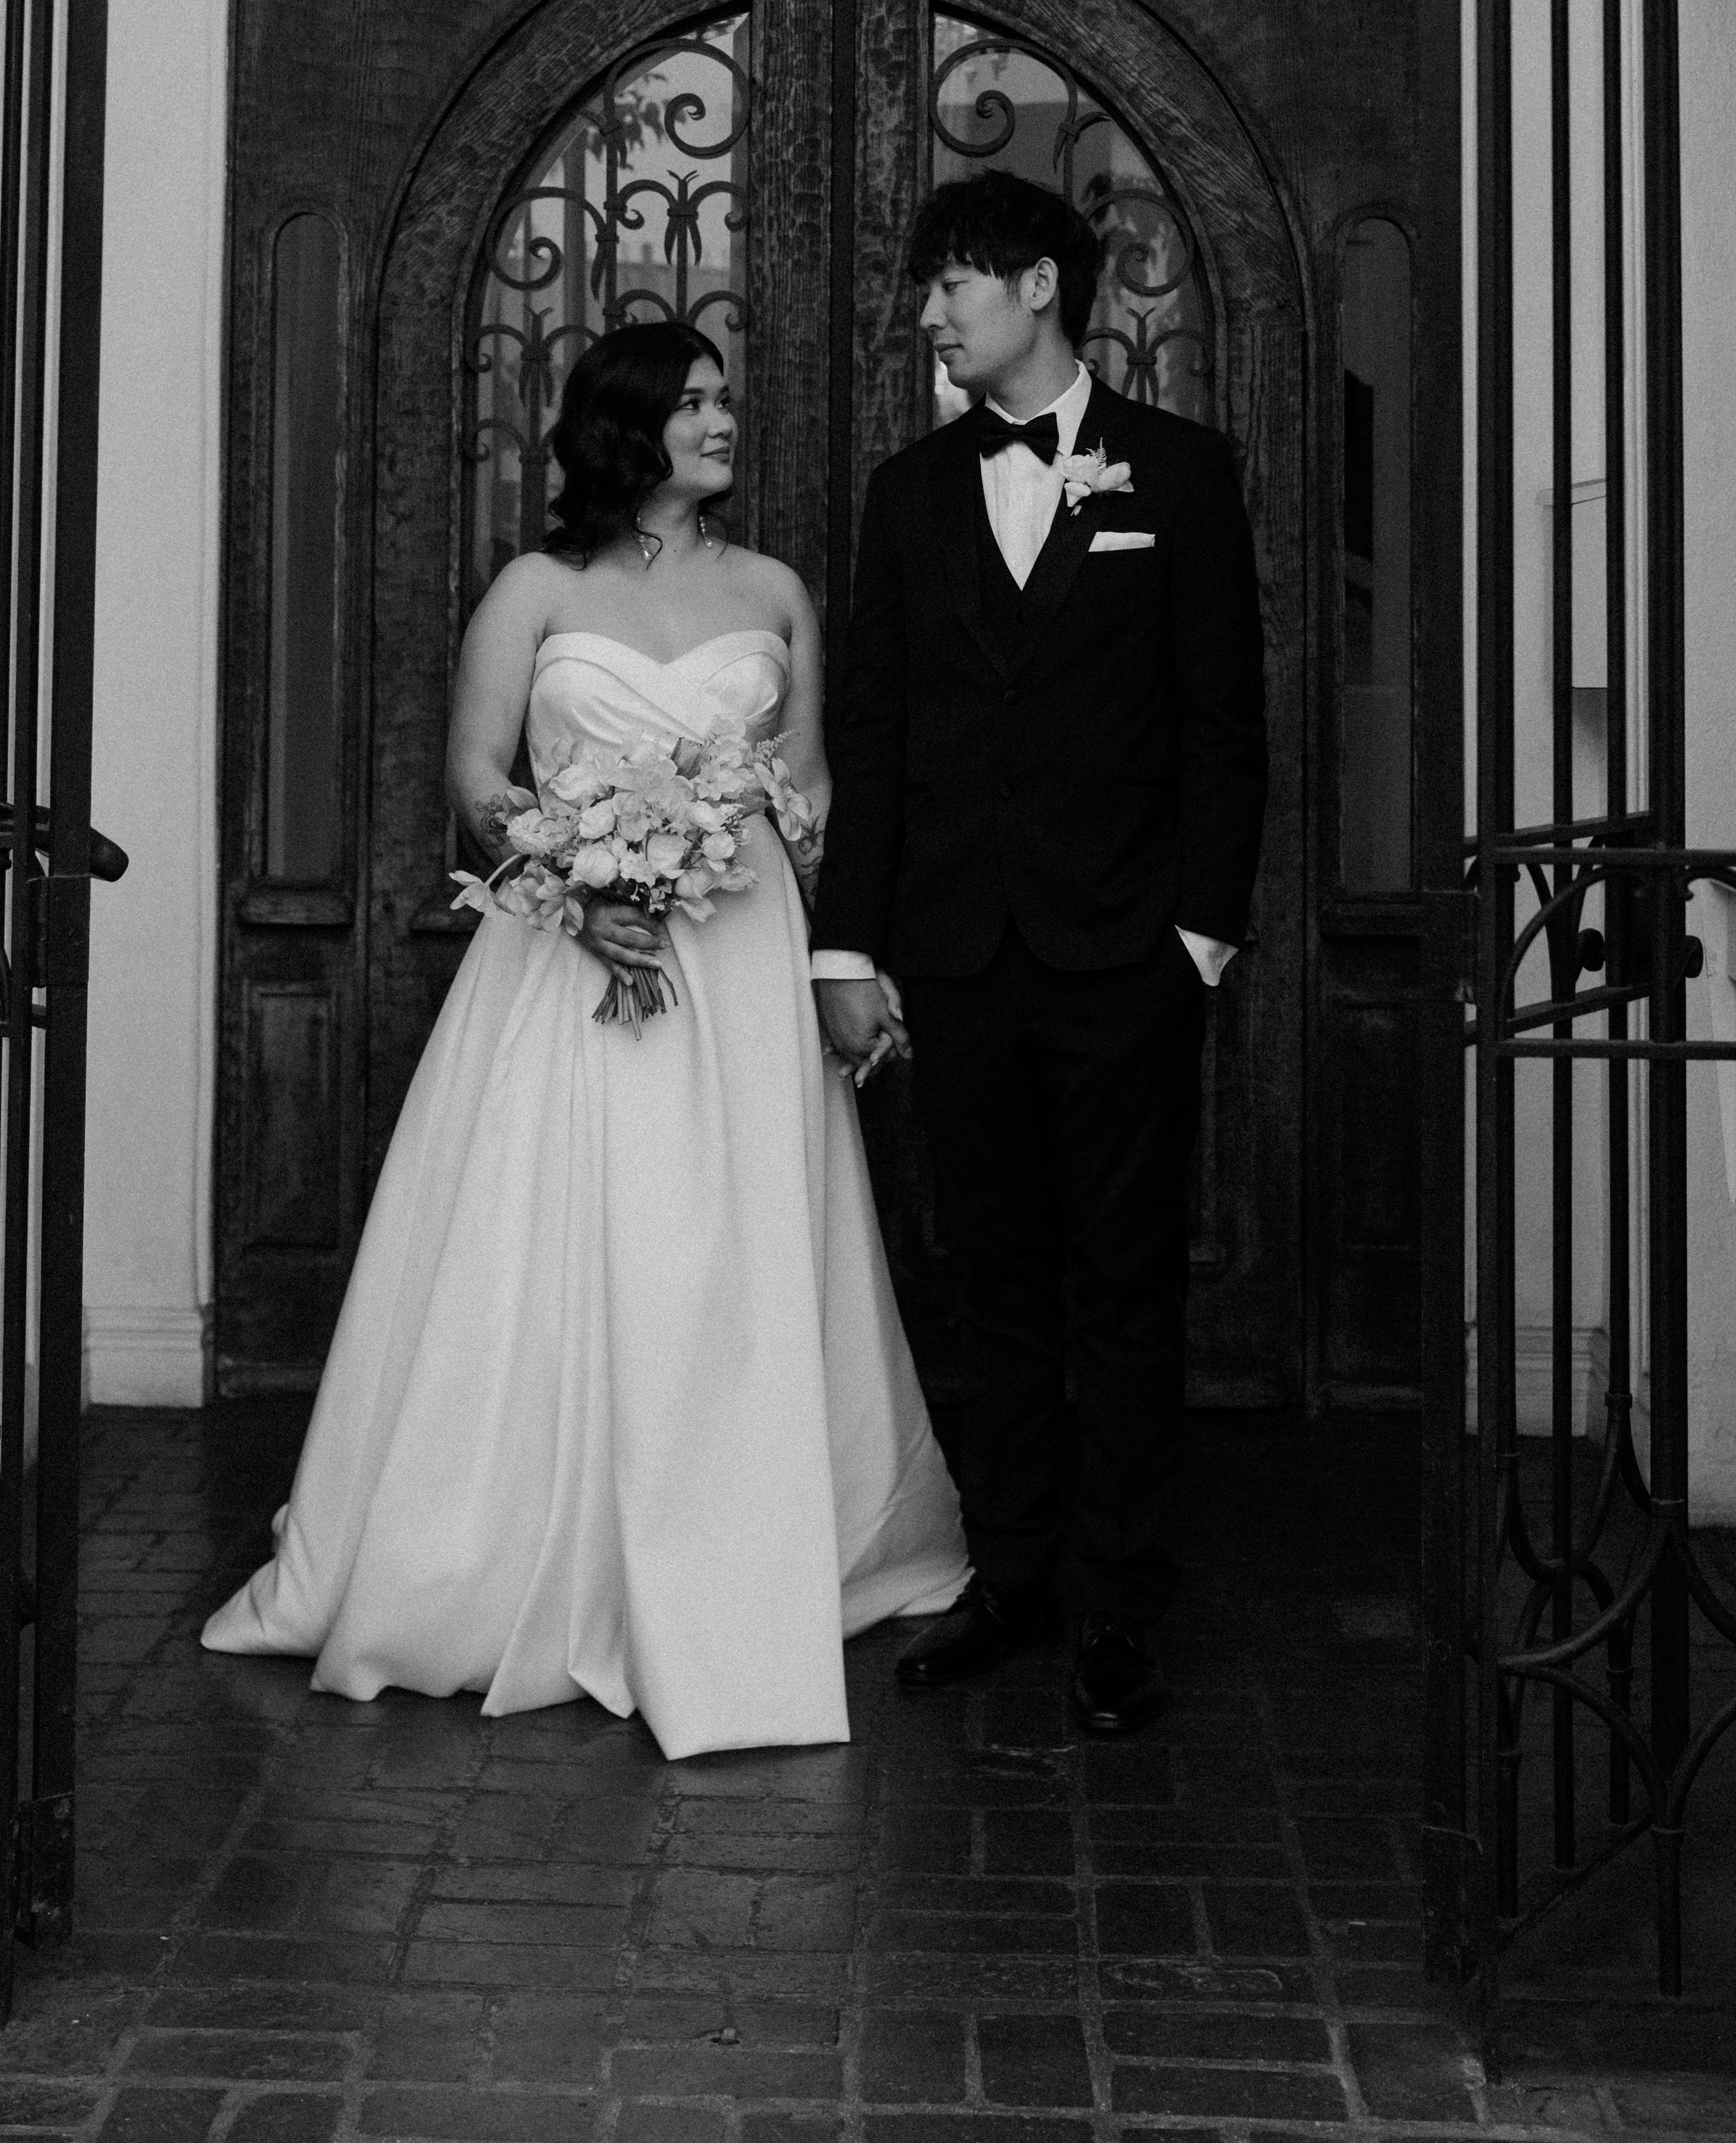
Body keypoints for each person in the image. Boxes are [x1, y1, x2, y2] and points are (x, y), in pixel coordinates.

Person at [202, 319, 966, 1755]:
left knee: (731, 1241)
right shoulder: (535, 590)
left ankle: (737, 1539)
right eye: (693, 403)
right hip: (568, 960)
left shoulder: (775, 590)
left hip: (739, 959)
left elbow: (810, 789)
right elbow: (475, 774)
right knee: (555, 1229)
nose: (722, 420)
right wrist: (577, 878)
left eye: (725, 397)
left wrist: (825, 941)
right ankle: (510, 1551)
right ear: (627, 428)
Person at [812, 170, 1266, 1736]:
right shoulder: (907, 493)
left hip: (1125, 953)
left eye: (950, 283)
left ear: (1039, 289)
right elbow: (874, 732)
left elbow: (1224, 724)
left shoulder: (1179, 473)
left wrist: (1197, 940)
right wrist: (845, 947)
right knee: (989, 1275)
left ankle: (1120, 1601)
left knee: (1123, 1283)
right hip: (956, 953)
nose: (927, 314)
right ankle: (1008, 1577)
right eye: (926, 287)